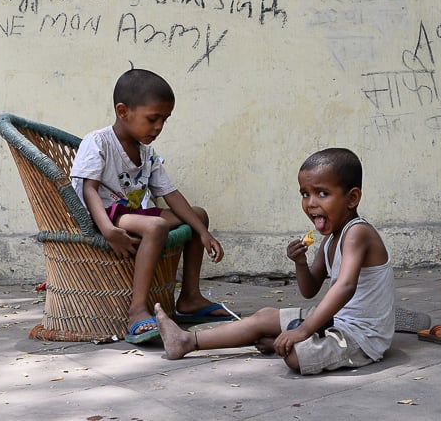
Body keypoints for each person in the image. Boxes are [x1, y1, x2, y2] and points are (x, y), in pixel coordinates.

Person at [154, 147, 395, 375]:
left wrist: (303, 329)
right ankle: (186, 341)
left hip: (362, 337)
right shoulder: (330, 240)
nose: (311, 203)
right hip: (338, 320)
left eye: (323, 193)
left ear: (352, 198)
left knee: (295, 356)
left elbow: (345, 286)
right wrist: (300, 263)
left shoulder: (357, 233)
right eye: (305, 194)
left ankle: (291, 339)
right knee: (264, 316)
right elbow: (309, 289)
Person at [70, 68, 234, 344]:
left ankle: (190, 297)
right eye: (153, 119)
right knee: (156, 225)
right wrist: (108, 230)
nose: (158, 127)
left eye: (164, 120)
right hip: (108, 214)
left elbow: (169, 193)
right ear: (123, 112)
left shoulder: (147, 152)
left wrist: (202, 232)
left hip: (135, 213)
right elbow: (89, 190)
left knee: (198, 215)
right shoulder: (98, 142)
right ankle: (137, 309)